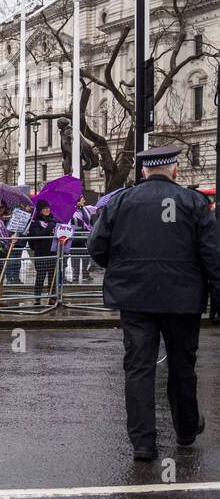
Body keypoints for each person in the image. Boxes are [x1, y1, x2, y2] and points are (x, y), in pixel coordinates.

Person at [88, 145, 220, 461]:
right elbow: (212, 256)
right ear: (173, 171)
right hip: (182, 298)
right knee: (182, 365)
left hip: (135, 297)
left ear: (144, 172)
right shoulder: (195, 202)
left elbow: (97, 248)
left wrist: (122, 267)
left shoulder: (120, 202)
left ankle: (144, 443)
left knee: (138, 368)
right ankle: (186, 429)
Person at [29, 199, 59, 305]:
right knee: (40, 275)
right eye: (44, 208)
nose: (47, 209)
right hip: (41, 253)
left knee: (53, 276)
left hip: (52, 252)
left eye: (48, 208)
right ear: (40, 210)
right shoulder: (35, 223)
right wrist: (49, 227)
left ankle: (52, 296)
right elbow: (38, 236)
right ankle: (37, 297)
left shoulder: (54, 221)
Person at [70, 195, 97, 283]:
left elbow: (97, 210)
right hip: (75, 236)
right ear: (77, 201)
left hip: (86, 235)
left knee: (86, 255)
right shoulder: (71, 210)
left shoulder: (86, 209)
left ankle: (85, 273)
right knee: (75, 256)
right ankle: (75, 275)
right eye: (82, 199)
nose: (84, 201)